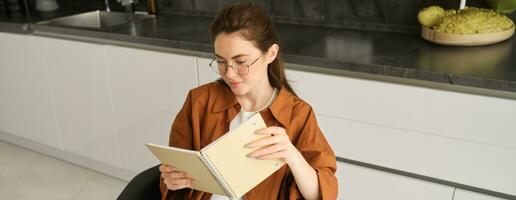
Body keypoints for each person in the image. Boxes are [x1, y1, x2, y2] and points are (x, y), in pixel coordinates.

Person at [158, 2, 338, 200]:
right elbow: (173, 175)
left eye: (241, 62)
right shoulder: (200, 101)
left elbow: (322, 195)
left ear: (271, 54)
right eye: (221, 62)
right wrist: (171, 180)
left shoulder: (298, 114)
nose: (229, 73)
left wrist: (293, 157)